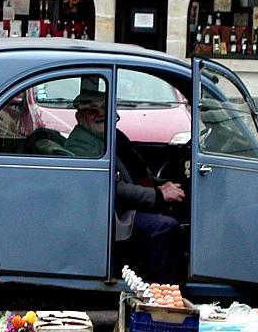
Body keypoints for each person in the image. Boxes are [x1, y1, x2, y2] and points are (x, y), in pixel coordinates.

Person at [66, 90, 186, 283]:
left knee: (181, 210)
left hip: (128, 204)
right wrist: (158, 194)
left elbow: (138, 172)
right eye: (93, 111)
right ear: (79, 117)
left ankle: (179, 282)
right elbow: (113, 188)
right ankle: (161, 289)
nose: (101, 114)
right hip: (112, 214)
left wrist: (164, 185)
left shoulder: (112, 136)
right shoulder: (81, 146)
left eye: (105, 108)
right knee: (166, 226)